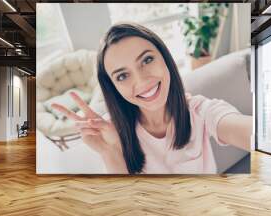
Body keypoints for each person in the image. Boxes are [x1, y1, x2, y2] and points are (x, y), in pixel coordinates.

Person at [52, 23, 252, 174]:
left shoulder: (201, 110)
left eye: (147, 60)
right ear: (114, 88)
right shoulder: (110, 131)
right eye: (122, 76)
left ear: (164, 57)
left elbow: (253, 133)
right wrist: (109, 151)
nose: (142, 81)